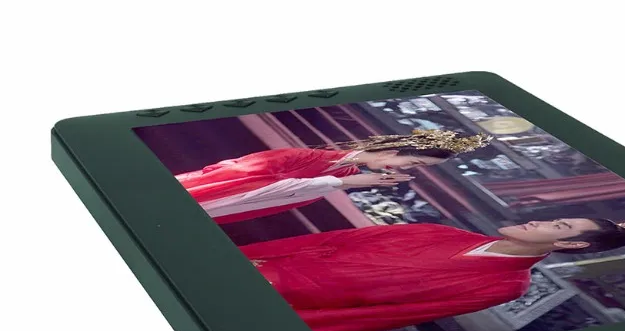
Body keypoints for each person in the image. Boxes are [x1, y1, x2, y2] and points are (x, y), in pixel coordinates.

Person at [239, 217, 625, 331]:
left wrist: (284, 326)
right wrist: (242, 260)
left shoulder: (505, 286)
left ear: (570, 245)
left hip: (277, 309)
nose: (538, 221)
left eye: (556, 227)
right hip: (251, 268)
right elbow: (332, 240)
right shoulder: (439, 231)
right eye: (552, 216)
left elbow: (386, 314)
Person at [174, 128, 490, 224]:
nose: (406, 170)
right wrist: (343, 183)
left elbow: (261, 203)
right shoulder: (302, 157)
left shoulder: (345, 173)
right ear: (392, 150)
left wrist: (343, 181)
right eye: (413, 162)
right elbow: (245, 187)